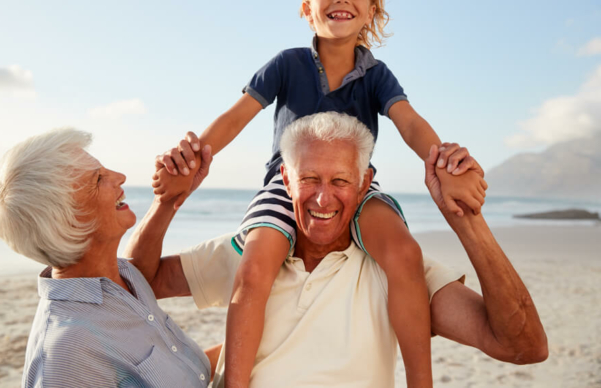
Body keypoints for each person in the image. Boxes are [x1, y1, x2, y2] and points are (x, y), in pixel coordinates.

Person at [151, 0, 488, 387]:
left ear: (371, 11)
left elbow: (409, 123)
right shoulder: (287, 64)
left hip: (355, 186)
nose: (341, 0)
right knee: (254, 269)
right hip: (287, 184)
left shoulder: (377, 75)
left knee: (405, 253)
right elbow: (236, 117)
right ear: (307, 8)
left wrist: (443, 158)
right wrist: (193, 156)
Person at [139, 113, 547, 387]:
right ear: (285, 177)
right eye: (309, 179)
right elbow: (137, 281)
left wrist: (466, 219)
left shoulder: (397, 271)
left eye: (340, 181)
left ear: (365, 182)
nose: (322, 199)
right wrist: (166, 203)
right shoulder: (247, 251)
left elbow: (522, 346)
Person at [0, 128, 218, 388]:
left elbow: (186, 375)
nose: (120, 177)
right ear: (69, 221)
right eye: (98, 179)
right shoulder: (67, 353)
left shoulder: (126, 277)